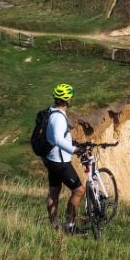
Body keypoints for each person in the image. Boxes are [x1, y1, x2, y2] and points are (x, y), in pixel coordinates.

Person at [43, 83, 85, 233]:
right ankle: (70, 226)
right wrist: (74, 150)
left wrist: (72, 142)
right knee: (79, 190)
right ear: (68, 100)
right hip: (60, 162)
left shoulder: (50, 111)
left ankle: (54, 225)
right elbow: (58, 139)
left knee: (54, 191)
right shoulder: (59, 118)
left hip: (50, 159)